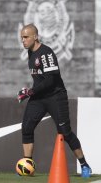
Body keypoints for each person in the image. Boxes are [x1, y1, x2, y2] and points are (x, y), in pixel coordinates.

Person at [17, 24, 91, 177]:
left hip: (55, 96)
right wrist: (29, 90)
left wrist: (31, 91)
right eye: (21, 38)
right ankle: (27, 166)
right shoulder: (31, 53)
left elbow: (50, 80)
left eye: (26, 37)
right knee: (27, 128)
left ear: (35, 37)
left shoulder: (46, 53)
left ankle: (84, 165)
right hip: (39, 97)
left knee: (65, 132)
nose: (23, 40)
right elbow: (40, 79)